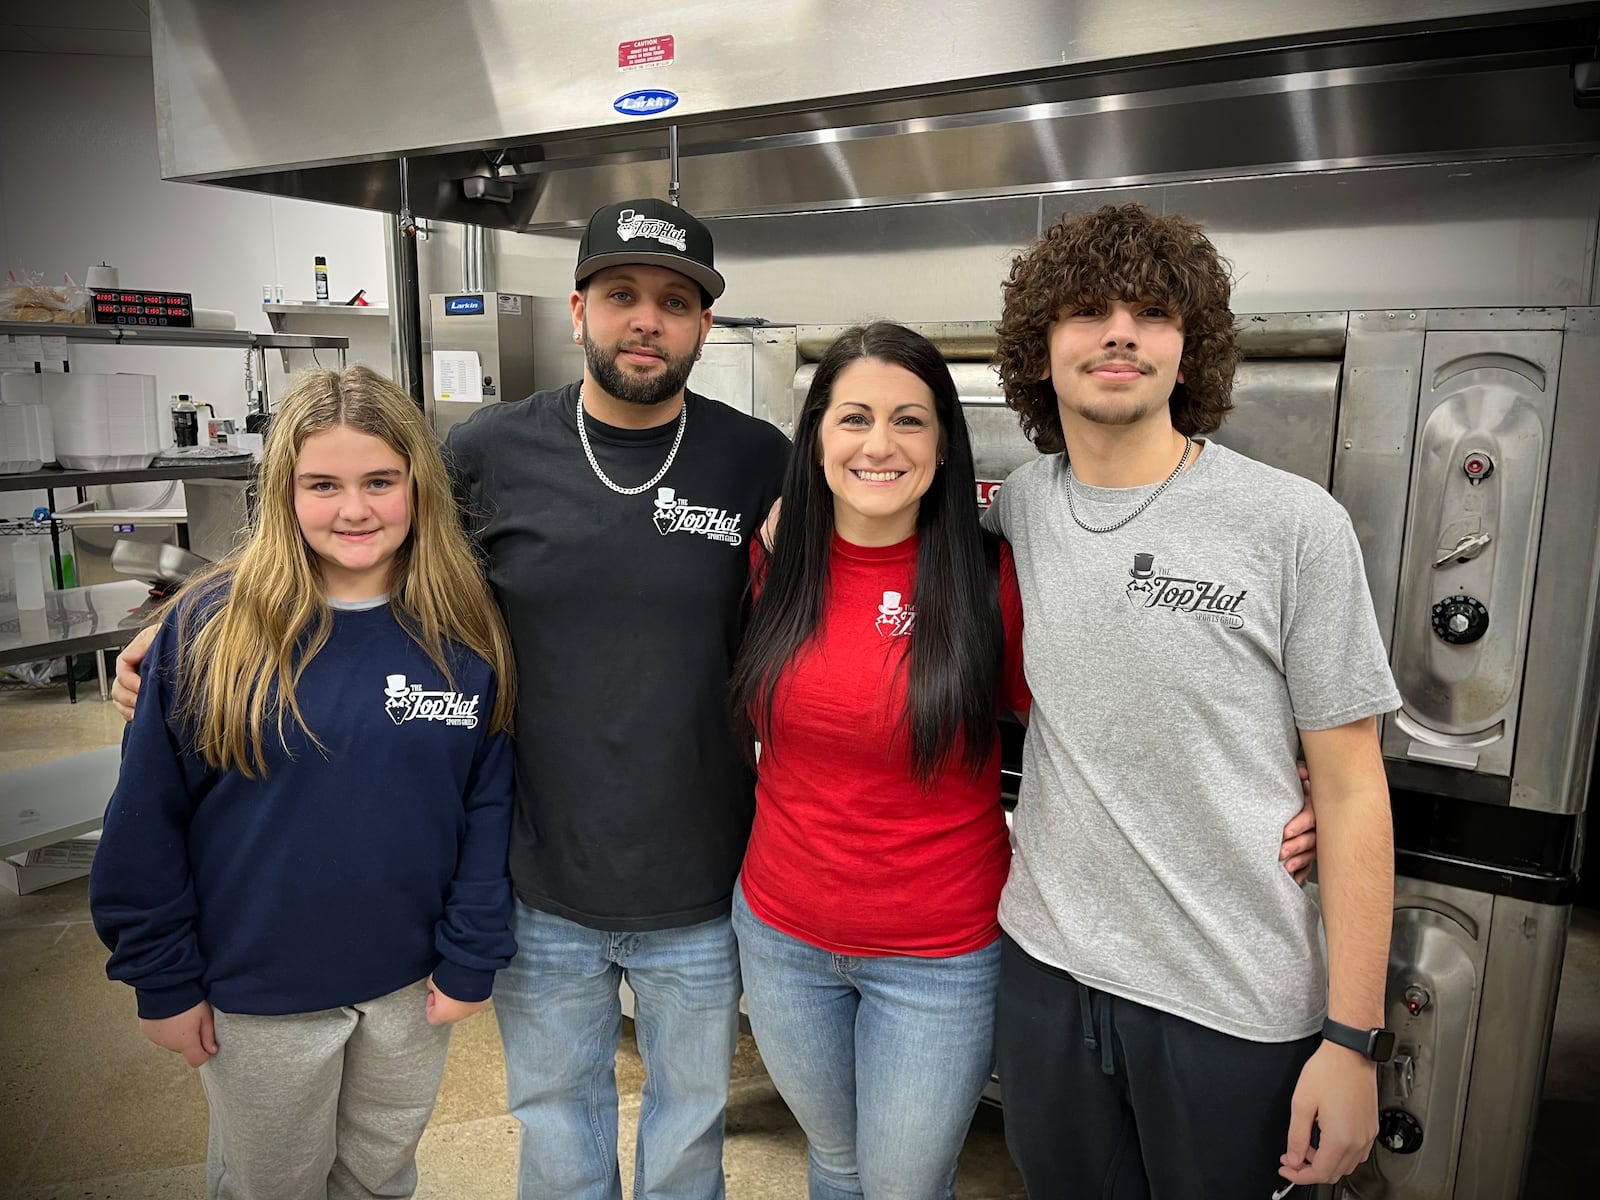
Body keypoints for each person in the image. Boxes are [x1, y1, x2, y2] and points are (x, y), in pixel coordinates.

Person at [116, 198, 791, 1200]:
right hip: (534, 872)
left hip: (700, 875)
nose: (643, 319)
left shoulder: (755, 458)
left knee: (688, 1128)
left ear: (701, 325)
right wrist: (187, 620)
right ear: (578, 311)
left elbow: (836, 581)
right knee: (556, 1123)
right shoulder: (486, 452)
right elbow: (359, 537)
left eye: (672, 301)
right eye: (619, 295)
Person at [729, 322, 1319, 1200]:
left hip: (937, 953)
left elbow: (1119, 703)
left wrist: (1302, 764)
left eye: (910, 422)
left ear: (944, 446)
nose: (879, 445)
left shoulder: (988, 578)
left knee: (900, 1184)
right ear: (816, 436)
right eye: (853, 418)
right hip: (778, 934)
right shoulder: (774, 563)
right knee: (835, 1159)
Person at [986, 203, 1400, 1198]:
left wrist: (1351, 1041)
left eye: (1151, 312)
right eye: (1086, 310)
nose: (1119, 331)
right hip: (1046, 973)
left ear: (1190, 349)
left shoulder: (1293, 526)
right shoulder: (1025, 505)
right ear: (1041, 351)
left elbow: (1349, 789)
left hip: (1232, 1003)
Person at [89, 366, 518, 1200]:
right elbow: (146, 821)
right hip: (259, 996)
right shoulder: (210, 631)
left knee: (379, 1175)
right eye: (323, 484)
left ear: (418, 487)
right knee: (268, 1184)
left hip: (407, 987)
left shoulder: (464, 633)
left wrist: (472, 955)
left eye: (379, 483)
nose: (354, 509)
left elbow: (486, 805)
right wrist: (162, 980)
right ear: (284, 493)